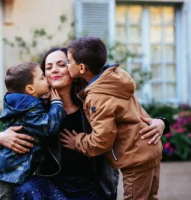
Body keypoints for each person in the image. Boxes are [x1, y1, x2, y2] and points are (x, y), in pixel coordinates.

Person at [0, 47, 169, 200]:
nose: (55, 70)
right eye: (48, 68)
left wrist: (160, 123)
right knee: (25, 189)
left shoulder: (94, 102)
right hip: (53, 187)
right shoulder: (37, 113)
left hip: (93, 188)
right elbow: (12, 141)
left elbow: (133, 116)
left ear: (75, 70)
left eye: (62, 64)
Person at [62, 36, 165, 200]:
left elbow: (102, 140)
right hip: (149, 149)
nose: (66, 66)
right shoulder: (114, 79)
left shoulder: (98, 98)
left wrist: (77, 142)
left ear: (82, 68)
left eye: (68, 62)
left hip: (134, 158)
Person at [0, 62, 67, 200]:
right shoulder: (29, 107)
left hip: (12, 170)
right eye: (42, 77)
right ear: (30, 89)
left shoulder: (24, 104)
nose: (46, 79)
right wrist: (56, 104)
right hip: (9, 172)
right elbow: (49, 126)